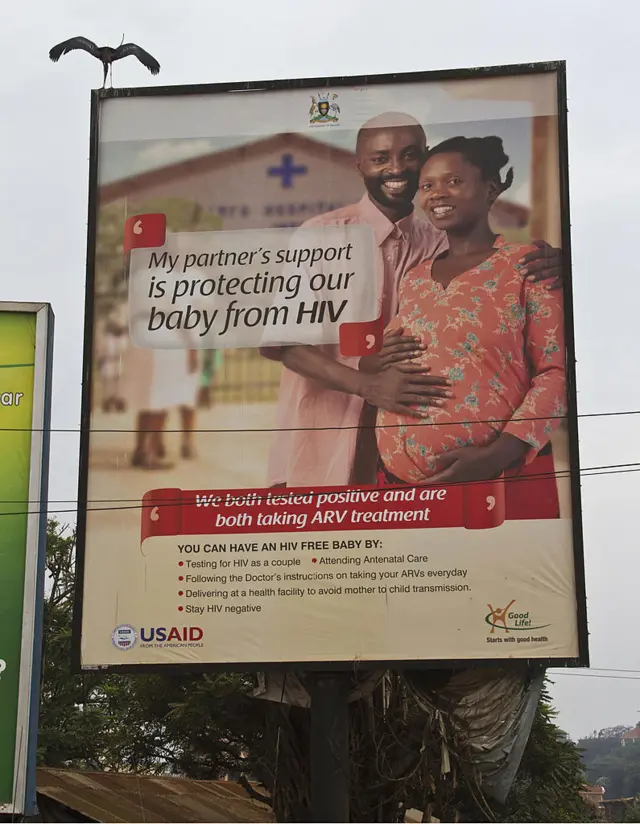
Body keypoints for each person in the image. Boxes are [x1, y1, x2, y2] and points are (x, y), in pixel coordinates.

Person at [260, 113, 563, 488]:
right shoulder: (319, 237)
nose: (395, 168)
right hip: (323, 439)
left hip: (416, 469)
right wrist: (368, 384)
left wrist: (561, 262)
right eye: (380, 158)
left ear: (425, 155)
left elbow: (540, 364)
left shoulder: (442, 243)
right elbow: (285, 345)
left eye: (409, 155)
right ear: (360, 166)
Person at [374, 136, 566, 491]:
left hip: (494, 482)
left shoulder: (529, 267)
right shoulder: (414, 278)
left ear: (491, 188)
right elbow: (389, 361)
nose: (437, 193)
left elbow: (555, 374)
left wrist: (497, 454)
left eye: (454, 181)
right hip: (396, 486)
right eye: (427, 185)